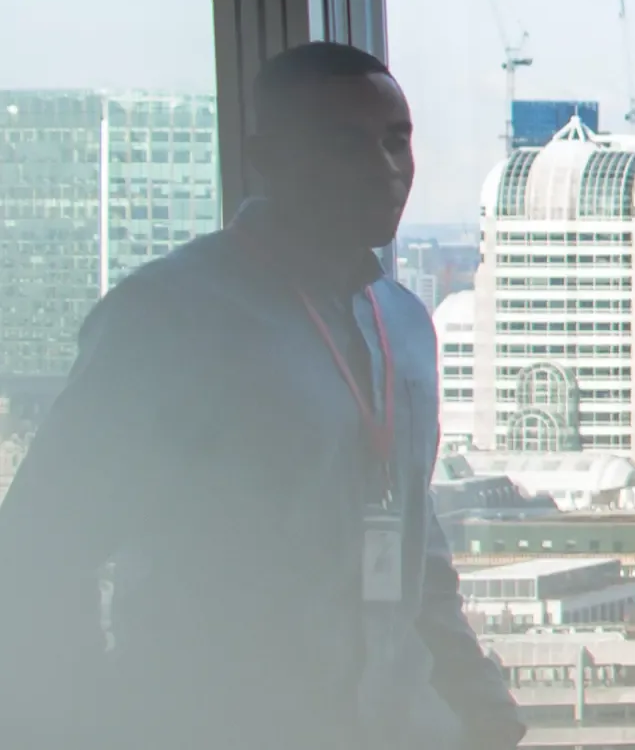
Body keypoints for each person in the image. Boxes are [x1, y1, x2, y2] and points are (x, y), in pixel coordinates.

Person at [0, 42, 523, 749]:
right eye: (345, 143)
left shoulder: (403, 323)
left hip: (400, 726)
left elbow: (409, 535)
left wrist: (478, 702)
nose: (385, 166)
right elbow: (43, 545)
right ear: (268, 158)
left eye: (396, 139)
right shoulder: (170, 318)